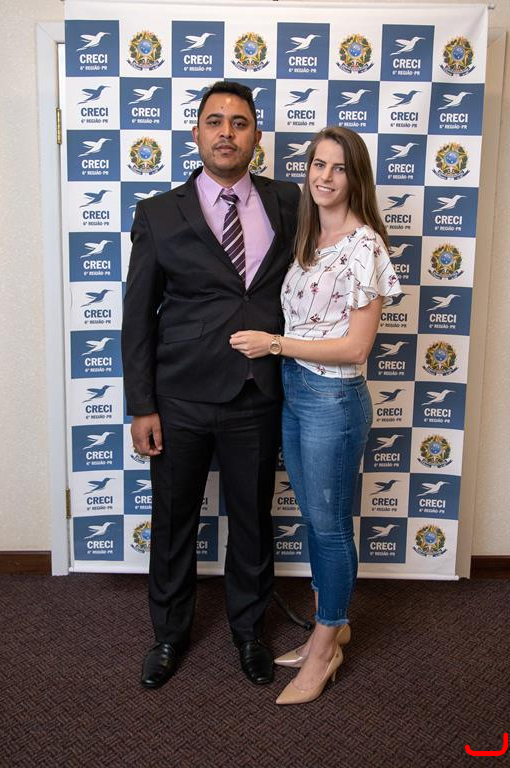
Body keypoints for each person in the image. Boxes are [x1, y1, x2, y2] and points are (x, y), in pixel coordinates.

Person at [121, 81, 300, 690]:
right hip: (180, 399)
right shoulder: (158, 212)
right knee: (174, 521)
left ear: (256, 135)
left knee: (253, 520)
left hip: (258, 394)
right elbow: (138, 316)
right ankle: (169, 635)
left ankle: (250, 633)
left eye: (240, 122)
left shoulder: (289, 202)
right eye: (215, 121)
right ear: (196, 133)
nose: (227, 132)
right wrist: (142, 405)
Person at [230, 126, 401, 704]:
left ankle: (326, 648)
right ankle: (333, 625)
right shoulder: (308, 237)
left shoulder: (364, 246)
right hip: (297, 392)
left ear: (356, 178)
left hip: (333, 399)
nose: (325, 177)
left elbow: (356, 348)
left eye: (339, 167)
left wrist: (274, 344)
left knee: (330, 529)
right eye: (318, 164)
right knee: (315, 520)